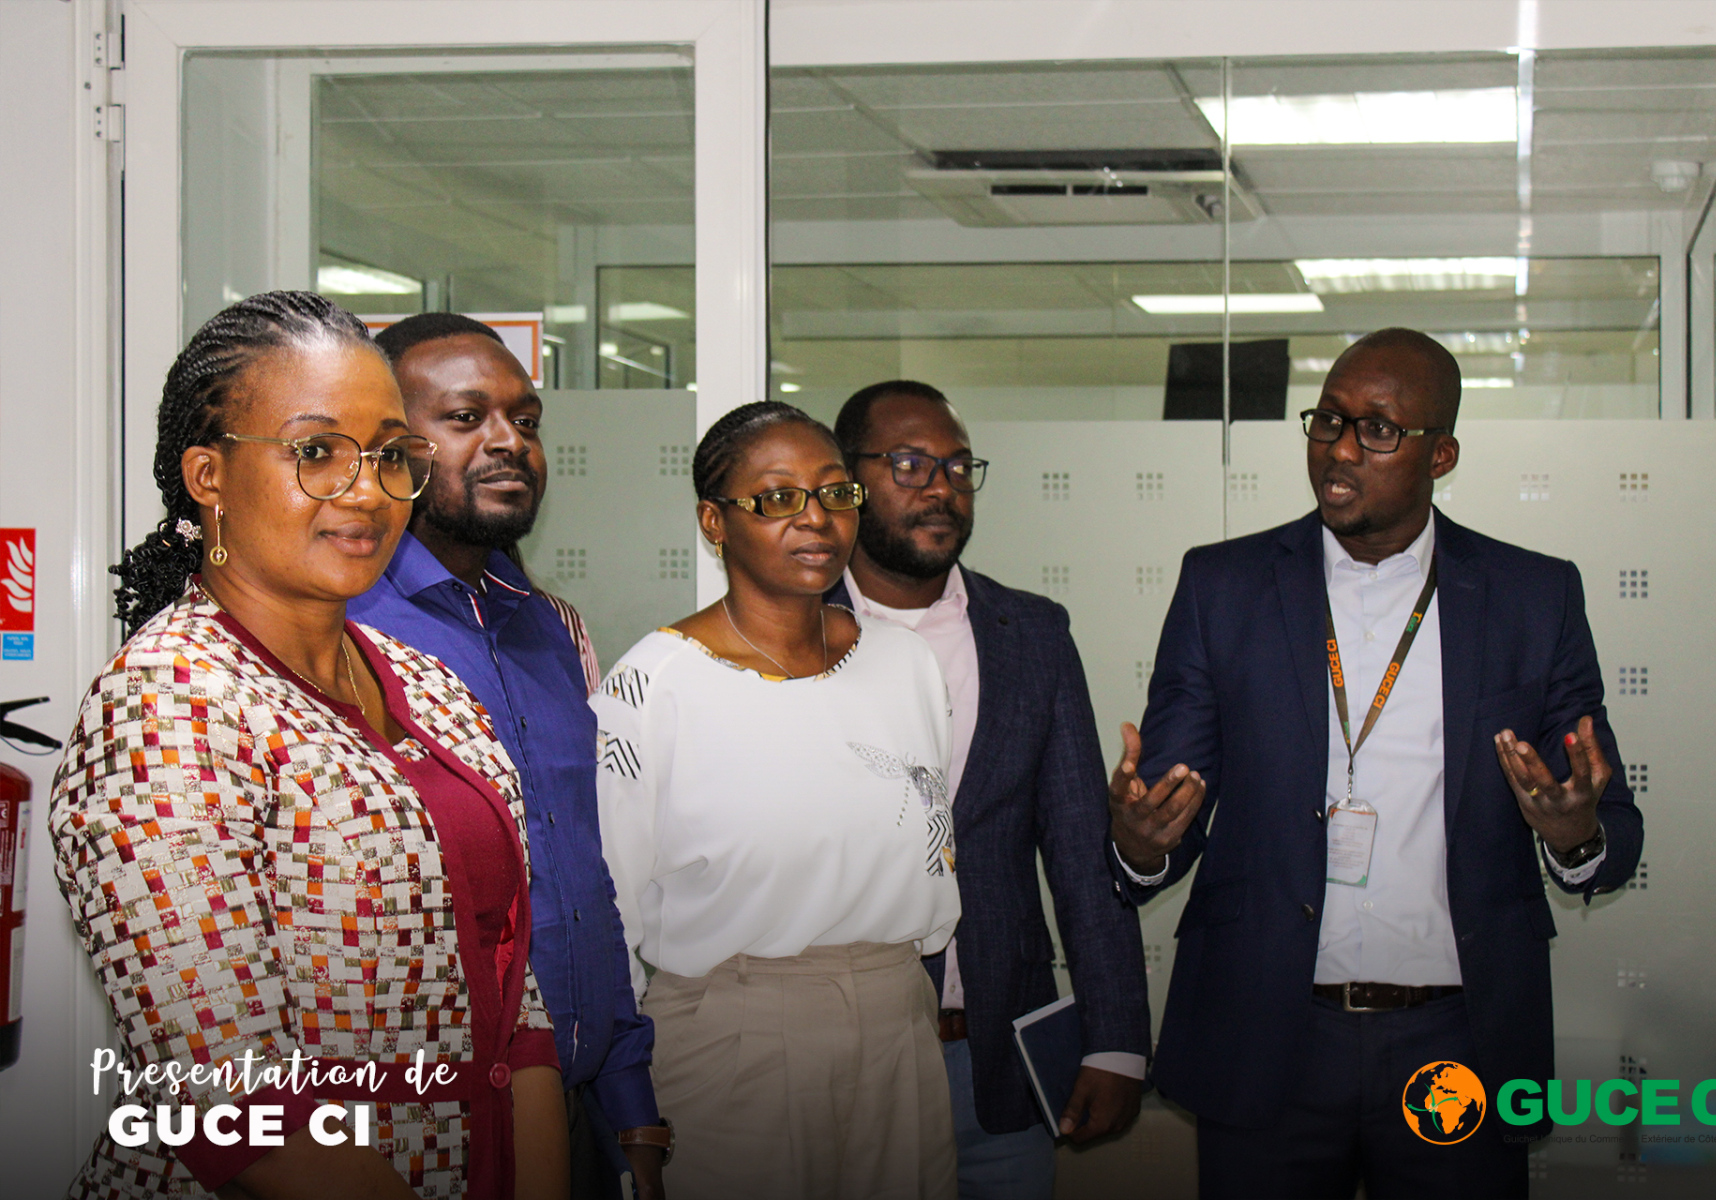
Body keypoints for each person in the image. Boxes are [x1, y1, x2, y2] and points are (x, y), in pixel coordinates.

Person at [50, 292, 567, 1199]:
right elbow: (230, 1096)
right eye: (317, 452)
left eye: (390, 455)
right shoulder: (166, 703)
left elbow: (511, 1001)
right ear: (208, 476)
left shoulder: (428, 688)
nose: (365, 491)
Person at [1110, 328, 1643, 1198]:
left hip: (1457, 1038)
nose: (1341, 449)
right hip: (1268, 1029)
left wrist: (1573, 833)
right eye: (1328, 420)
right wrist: (1139, 843)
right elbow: (1168, 802)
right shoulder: (1223, 585)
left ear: (1443, 455)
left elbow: (1607, 829)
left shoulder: (1532, 597)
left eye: (1379, 429)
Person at [593, 401, 963, 1200]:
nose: (816, 519)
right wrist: (625, 1106)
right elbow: (609, 910)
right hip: (735, 1030)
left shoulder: (905, 665)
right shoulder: (651, 686)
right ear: (713, 521)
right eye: (777, 498)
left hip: (899, 1017)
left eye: (835, 493)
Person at [345, 313, 664, 1199]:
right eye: (465, 418)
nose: (508, 442)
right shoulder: (341, 634)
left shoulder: (550, 629)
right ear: (388, 448)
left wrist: (631, 1105)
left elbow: (586, 875)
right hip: (418, 1126)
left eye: (525, 421)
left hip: (579, 1106)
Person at [827, 381, 1151, 1198]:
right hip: (832, 1066)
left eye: (958, 466)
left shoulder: (1032, 633)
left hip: (993, 1063)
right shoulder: (787, 630)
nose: (941, 487)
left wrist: (1115, 1040)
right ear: (848, 481)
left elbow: (1079, 852)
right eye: (910, 464)